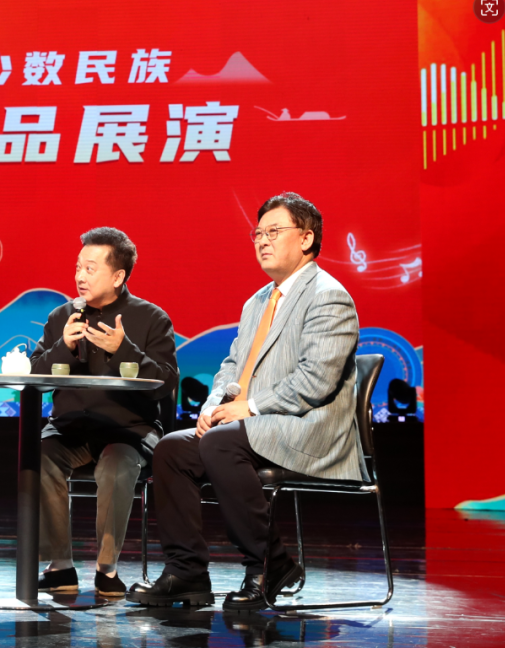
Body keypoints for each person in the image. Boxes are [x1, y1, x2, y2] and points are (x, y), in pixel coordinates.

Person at [129, 192, 364, 611]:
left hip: (309, 426)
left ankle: (267, 564)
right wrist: (214, 406)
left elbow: (316, 381)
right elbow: (233, 365)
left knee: (222, 443)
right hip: (256, 425)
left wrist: (249, 407)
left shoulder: (328, 296)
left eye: (274, 231)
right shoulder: (257, 301)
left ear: (307, 239)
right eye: (258, 233)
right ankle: (187, 572)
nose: (263, 240)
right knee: (172, 449)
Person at [30, 227, 178, 597]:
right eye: (78, 267)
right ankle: (60, 566)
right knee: (39, 454)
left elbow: (166, 382)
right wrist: (63, 347)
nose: (80, 276)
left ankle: (106, 568)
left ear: (118, 276)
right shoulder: (61, 316)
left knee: (116, 466)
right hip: (71, 429)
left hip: (127, 430)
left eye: (91, 269)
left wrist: (124, 349)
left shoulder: (151, 318)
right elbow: (34, 377)